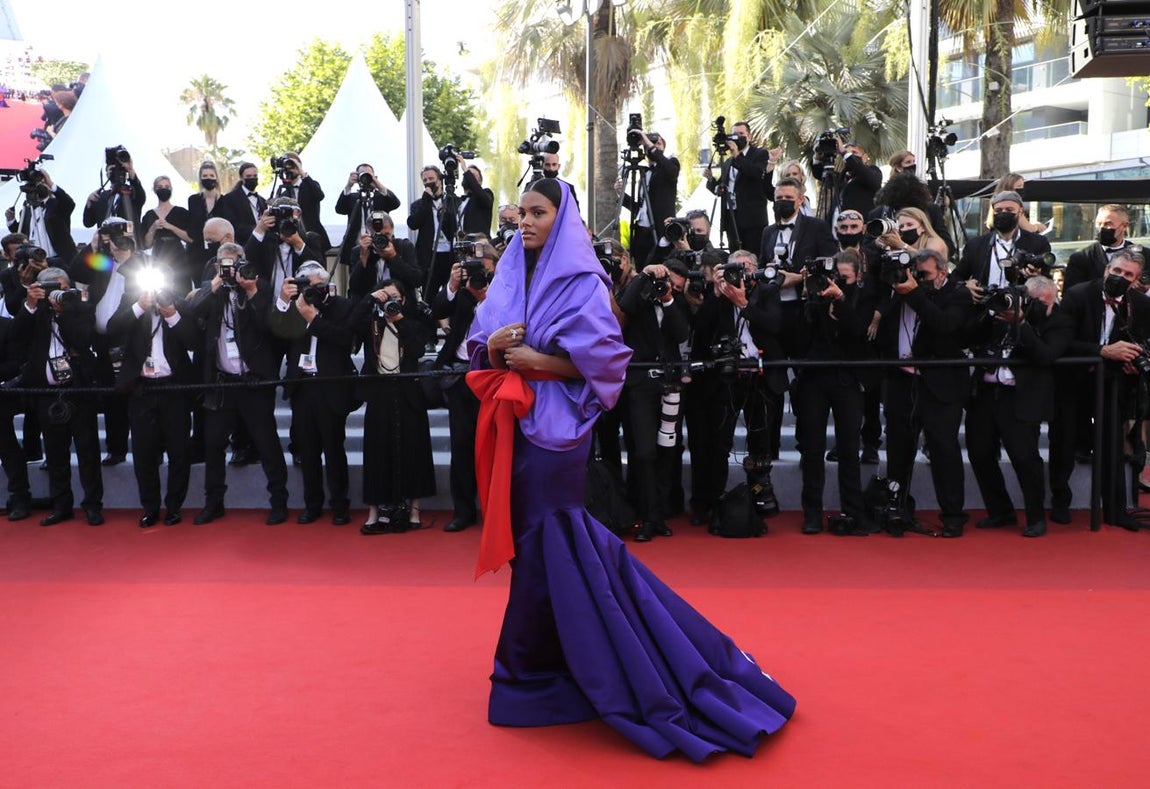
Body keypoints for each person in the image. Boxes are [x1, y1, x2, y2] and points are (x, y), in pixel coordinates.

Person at [466, 177, 795, 761]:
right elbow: (476, 346)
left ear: (560, 217)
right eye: (523, 213)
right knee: (534, 546)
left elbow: (609, 365)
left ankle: (532, 671)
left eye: (539, 213)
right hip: (513, 426)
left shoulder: (584, 282)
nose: (526, 222)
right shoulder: (509, 272)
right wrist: (493, 345)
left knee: (551, 540)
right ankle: (562, 658)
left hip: (557, 432)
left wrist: (541, 359)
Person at [189, 243, 289, 526]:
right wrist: (216, 283)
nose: (230, 270)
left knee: (266, 443)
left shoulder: (261, 287)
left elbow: (270, 326)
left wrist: (251, 289)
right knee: (213, 444)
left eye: (233, 264)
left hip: (254, 382)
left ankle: (278, 502)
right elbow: (191, 309)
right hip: (223, 384)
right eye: (223, 265)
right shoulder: (213, 291)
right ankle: (214, 502)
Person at [876, 248, 973, 537]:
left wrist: (916, 294)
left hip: (940, 385)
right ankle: (897, 509)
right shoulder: (897, 292)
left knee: (944, 450)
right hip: (902, 383)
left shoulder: (957, 294)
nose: (916, 279)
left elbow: (945, 326)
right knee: (898, 449)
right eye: (914, 274)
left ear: (942, 273)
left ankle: (954, 515)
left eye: (924, 275)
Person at [965, 276, 1069, 537]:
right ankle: (1000, 511)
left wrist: (1021, 324)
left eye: (1045, 302)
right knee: (979, 454)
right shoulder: (1003, 311)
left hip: (1021, 397)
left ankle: (1035, 517)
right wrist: (990, 312)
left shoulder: (1058, 320)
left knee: (1025, 459)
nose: (1041, 306)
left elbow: (1045, 355)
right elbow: (971, 335)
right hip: (986, 392)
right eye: (1034, 302)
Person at [107, 260, 199, 528]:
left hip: (175, 389)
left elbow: (194, 339)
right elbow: (113, 330)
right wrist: (140, 306)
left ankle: (173, 507)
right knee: (144, 452)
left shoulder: (179, 302)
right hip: (142, 389)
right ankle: (150, 507)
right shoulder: (131, 299)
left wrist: (170, 313)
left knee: (179, 451)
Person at [13, 267, 104, 526]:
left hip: (78, 391)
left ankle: (92, 505)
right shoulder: (35, 312)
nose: (59, 294)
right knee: (55, 454)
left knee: (87, 452)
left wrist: (63, 313)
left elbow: (82, 340)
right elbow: (17, 338)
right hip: (45, 393)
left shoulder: (82, 309)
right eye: (53, 289)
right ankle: (61, 505)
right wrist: (30, 305)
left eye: (64, 288)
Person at [269, 262, 358, 526]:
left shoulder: (341, 306)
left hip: (330, 385)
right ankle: (312, 505)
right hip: (303, 387)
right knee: (307, 451)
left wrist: (314, 319)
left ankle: (340, 506)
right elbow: (277, 334)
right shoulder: (295, 307)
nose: (311, 291)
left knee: (334, 450)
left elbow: (345, 340)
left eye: (316, 286)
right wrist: (285, 301)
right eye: (306, 286)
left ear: (326, 284)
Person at [796, 249, 878, 534]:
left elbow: (857, 331)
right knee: (813, 448)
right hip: (815, 378)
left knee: (848, 448)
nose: (837, 284)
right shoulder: (815, 295)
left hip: (848, 379)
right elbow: (802, 332)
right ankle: (812, 514)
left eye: (845, 279)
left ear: (857, 277)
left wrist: (842, 301)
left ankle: (853, 511)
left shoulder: (864, 297)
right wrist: (813, 298)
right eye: (835, 278)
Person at [353, 279, 436, 534]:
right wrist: (370, 300)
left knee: (414, 449)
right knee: (377, 451)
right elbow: (349, 324)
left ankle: (414, 510)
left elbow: (419, 347)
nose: (390, 302)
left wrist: (399, 318)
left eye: (395, 297)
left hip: (408, 390)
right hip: (379, 392)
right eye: (385, 297)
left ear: (404, 300)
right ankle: (374, 511)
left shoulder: (411, 322)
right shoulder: (370, 323)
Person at [431, 250, 498, 532]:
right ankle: (463, 510)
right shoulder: (460, 292)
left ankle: (496, 511)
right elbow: (437, 311)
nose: (479, 275)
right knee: (461, 445)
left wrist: (486, 294)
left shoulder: (504, 290)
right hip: (460, 375)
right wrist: (453, 285)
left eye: (483, 269)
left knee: (495, 446)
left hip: (493, 375)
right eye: (473, 269)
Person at [956, 191, 1052, 296]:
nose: (1003, 213)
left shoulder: (1038, 243)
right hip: (983, 307)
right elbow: (957, 277)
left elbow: (1047, 280)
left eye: (1009, 210)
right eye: (999, 210)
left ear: (1020, 212)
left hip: (1021, 307)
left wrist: (1037, 278)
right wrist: (966, 285)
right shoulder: (976, 244)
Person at [704, 121, 774, 251]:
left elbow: (756, 173)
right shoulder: (728, 162)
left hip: (753, 220)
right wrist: (711, 179)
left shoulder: (760, 154)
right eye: (734, 134)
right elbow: (721, 189)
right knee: (735, 256)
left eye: (741, 134)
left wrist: (737, 155)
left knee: (753, 256)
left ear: (749, 136)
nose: (737, 137)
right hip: (732, 218)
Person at [617, 129, 680, 267]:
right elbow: (640, 207)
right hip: (641, 230)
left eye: (658, 143)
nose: (654, 146)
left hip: (659, 229)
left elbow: (671, 170)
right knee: (642, 268)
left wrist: (648, 143)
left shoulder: (671, 165)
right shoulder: (644, 172)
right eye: (650, 144)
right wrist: (621, 194)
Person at [5, 166, 77, 266]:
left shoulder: (57, 205)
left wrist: (50, 183)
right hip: (34, 260)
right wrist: (11, 220)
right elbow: (22, 234)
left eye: (42, 183)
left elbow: (69, 203)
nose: (39, 186)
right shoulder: (27, 210)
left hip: (57, 260)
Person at [335, 163, 401, 268]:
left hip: (380, 244)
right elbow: (339, 209)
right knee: (357, 278)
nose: (366, 177)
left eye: (369, 175)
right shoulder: (353, 198)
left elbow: (395, 203)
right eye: (362, 174)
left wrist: (377, 183)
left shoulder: (381, 197)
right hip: (357, 245)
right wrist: (348, 186)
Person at [407, 165, 458, 299]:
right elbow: (413, 224)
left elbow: (457, 226)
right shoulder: (419, 204)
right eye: (425, 180)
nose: (428, 182)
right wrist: (426, 201)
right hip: (429, 255)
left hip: (449, 254)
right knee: (429, 294)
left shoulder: (452, 201)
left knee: (451, 293)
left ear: (440, 180)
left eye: (431, 178)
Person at [1063, 205, 1136, 289]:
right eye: (1098, 224)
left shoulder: (1142, 254)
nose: (1101, 228)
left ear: (1124, 226)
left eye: (1108, 224)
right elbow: (1071, 295)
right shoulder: (1081, 258)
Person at [141, 175, 194, 290]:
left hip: (178, 255)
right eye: (160, 187)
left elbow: (190, 238)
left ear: (171, 189)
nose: (163, 189)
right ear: (155, 190)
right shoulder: (149, 215)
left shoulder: (181, 212)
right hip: (158, 255)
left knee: (181, 288)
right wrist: (153, 227)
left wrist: (171, 227)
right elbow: (146, 244)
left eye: (166, 186)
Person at [272, 152, 331, 254]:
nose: (289, 168)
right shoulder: (284, 192)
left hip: (313, 237)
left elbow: (319, 196)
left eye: (292, 165)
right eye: (287, 165)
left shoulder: (310, 185)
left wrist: (302, 172)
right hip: (292, 240)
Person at [214, 162, 266, 245]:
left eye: (255, 176)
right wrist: (257, 230)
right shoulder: (230, 198)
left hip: (262, 245)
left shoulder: (262, 200)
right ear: (241, 178)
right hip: (242, 244)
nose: (252, 178)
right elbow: (232, 225)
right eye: (248, 176)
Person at [187, 162, 222, 279]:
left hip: (218, 250)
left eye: (211, 176)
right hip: (197, 252)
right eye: (205, 176)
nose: (208, 179)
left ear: (216, 178)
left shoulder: (225, 200)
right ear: (200, 179)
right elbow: (192, 226)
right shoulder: (193, 200)